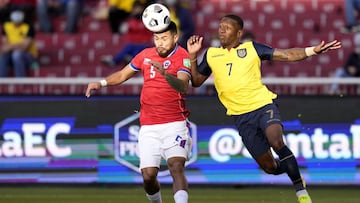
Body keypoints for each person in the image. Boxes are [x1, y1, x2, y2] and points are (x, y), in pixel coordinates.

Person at [187, 14, 341, 203]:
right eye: (220, 27)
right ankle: (293, 170)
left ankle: (301, 193)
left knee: (277, 142)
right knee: (270, 168)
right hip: (241, 117)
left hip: (263, 106)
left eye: (227, 27)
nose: (221, 30)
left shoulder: (251, 48)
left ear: (239, 33)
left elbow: (286, 54)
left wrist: (312, 51)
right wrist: (193, 57)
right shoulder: (211, 54)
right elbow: (196, 81)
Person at [85, 21, 192, 203]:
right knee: (148, 176)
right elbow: (122, 74)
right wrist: (101, 83)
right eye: (156, 38)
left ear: (175, 37)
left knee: (176, 166)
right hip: (149, 126)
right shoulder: (145, 55)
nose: (160, 42)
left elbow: (183, 85)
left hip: (174, 124)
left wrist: (165, 74)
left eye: (164, 38)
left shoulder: (183, 56)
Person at [100, 1, 152, 67]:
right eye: (136, 9)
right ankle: (116, 60)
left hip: (144, 44)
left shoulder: (147, 20)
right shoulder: (131, 20)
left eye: (139, 9)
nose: (138, 11)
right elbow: (127, 28)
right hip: (133, 43)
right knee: (129, 47)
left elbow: (147, 31)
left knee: (140, 49)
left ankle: (129, 59)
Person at [0, 10, 38, 77]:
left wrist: (10, 47)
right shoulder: (6, 26)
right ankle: (2, 80)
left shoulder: (29, 27)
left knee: (17, 54)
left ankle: (20, 81)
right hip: (10, 55)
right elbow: (4, 47)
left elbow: (24, 47)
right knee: (3, 55)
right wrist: (19, 45)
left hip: (29, 56)